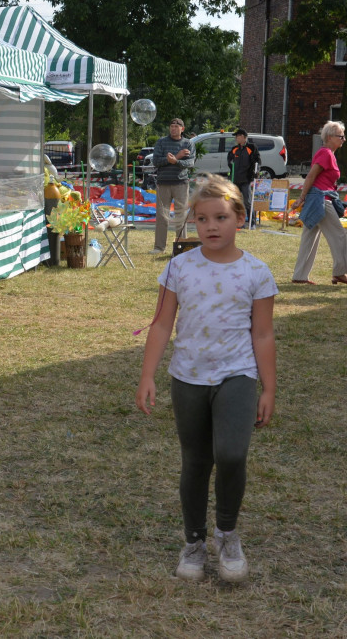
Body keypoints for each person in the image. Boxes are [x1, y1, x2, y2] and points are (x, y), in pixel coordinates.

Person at [136, 174, 277, 583]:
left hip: (238, 375)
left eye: (220, 217)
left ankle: (227, 535)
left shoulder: (257, 272)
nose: (211, 226)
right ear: (193, 222)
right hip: (188, 377)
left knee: (231, 455)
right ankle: (194, 542)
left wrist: (268, 388)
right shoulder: (178, 268)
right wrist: (148, 375)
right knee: (196, 461)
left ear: (240, 218)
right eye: (202, 219)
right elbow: (162, 325)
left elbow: (263, 333)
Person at [289, 120, 347, 284]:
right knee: (340, 236)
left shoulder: (329, 154)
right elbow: (311, 176)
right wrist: (301, 198)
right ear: (329, 137)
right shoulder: (326, 154)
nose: (344, 139)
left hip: (318, 199)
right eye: (341, 136)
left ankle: (299, 276)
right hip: (321, 201)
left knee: (310, 238)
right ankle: (339, 272)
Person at [151, 118, 195, 254]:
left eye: (176, 126)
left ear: (183, 129)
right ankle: (159, 247)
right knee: (162, 216)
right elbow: (156, 161)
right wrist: (176, 157)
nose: (173, 128)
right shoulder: (161, 142)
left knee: (181, 216)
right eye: (171, 126)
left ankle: (182, 246)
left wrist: (176, 161)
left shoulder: (188, 143)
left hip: (181, 183)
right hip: (163, 183)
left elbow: (190, 163)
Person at [226, 129, 260, 223]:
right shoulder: (234, 149)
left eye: (238, 136)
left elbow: (257, 161)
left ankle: (252, 222)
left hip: (246, 179)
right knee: (234, 201)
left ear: (244, 137)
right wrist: (230, 163)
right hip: (235, 179)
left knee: (248, 202)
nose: (236, 138)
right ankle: (234, 220)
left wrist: (255, 171)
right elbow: (229, 160)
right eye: (236, 136)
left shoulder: (251, 148)